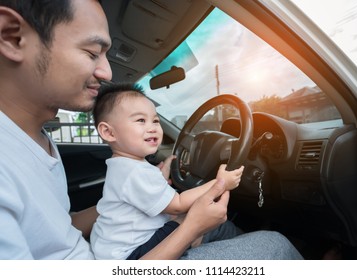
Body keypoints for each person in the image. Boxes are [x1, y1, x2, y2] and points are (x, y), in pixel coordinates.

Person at [0, 0, 303, 260]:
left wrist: (137, 195)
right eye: (93, 52)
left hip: (98, 253)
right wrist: (191, 227)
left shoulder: (38, 140)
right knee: (275, 245)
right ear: (12, 37)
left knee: (216, 226)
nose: (106, 72)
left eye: (154, 120)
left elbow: (63, 226)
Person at [90, 83, 245, 260]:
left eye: (155, 120)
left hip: (111, 250)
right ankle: (243, 241)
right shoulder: (136, 172)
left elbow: (141, 193)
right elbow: (178, 203)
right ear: (108, 132)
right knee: (194, 217)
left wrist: (159, 177)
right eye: (141, 120)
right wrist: (220, 182)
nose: (153, 127)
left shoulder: (121, 165)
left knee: (184, 217)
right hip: (133, 254)